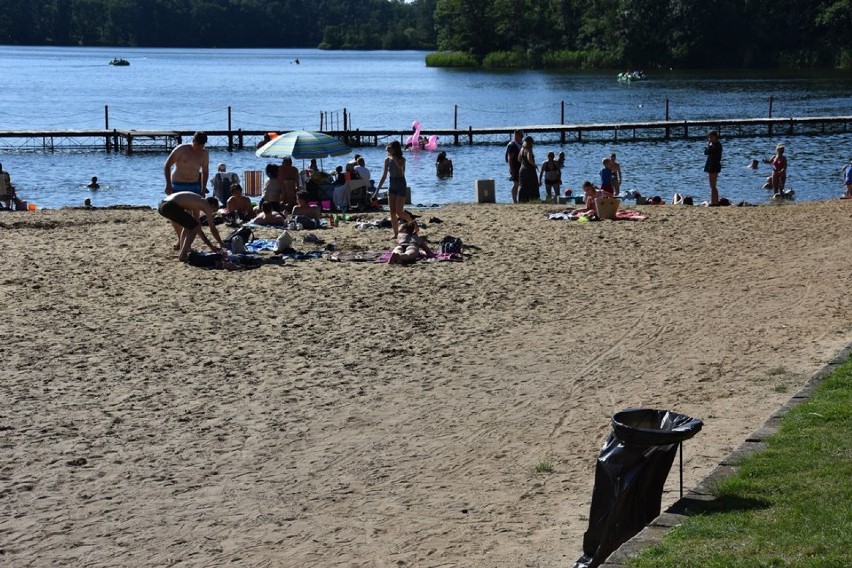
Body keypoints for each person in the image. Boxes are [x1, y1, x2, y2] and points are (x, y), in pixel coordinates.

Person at [157, 192, 225, 262]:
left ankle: (183, 251)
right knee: (192, 227)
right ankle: (183, 255)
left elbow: (197, 228)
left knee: (189, 226)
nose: (211, 213)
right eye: (213, 211)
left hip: (162, 205)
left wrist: (210, 246)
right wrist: (221, 243)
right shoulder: (206, 205)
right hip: (169, 206)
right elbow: (212, 228)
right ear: (212, 205)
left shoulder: (197, 204)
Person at [376, 140, 407, 237]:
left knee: (399, 212)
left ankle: (411, 221)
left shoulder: (402, 159)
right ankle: (396, 233)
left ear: (395, 149)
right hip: (392, 184)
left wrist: (393, 156)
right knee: (392, 212)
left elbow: (400, 168)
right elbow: (384, 176)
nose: (389, 149)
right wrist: (377, 191)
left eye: (391, 147)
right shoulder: (387, 160)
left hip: (401, 183)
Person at [164, 131, 209, 196]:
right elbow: (167, 165)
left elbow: (205, 172)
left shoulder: (204, 154)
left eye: (201, 146)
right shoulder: (181, 149)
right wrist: (168, 184)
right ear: (193, 141)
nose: (199, 148)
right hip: (177, 184)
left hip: (194, 185)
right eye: (197, 145)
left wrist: (203, 189)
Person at [517, 135, 540, 203]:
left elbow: (519, 159)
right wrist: (535, 165)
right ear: (530, 142)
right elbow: (529, 159)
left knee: (523, 185)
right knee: (532, 185)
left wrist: (524, 163)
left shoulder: (522, 149)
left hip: (522, 169)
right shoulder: (529, 149)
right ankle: (533, 199)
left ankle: (521, 200)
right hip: (529, 170)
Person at [703, 130, 722, 206]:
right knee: (712, 185)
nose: (710, 138)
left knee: (713, 185)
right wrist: (709, 146)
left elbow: (713, 152)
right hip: (711, 166)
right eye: (709, 137)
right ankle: (713, 201)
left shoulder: (717, 145)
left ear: (715, 137)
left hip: (714, 166)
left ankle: (715, 202)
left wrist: (710, 146)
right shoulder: (711, 144)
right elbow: (706, 152)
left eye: (711, 137)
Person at [505, 130, 523, 203]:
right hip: (515, 167)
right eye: (521, 136)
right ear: (516, 135)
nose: (522, 137)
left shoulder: (521, 143)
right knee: (516, 184)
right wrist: (511, 169)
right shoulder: (512, 145)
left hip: (521, 166)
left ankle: (519, 199)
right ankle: (514, 200)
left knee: (520, 184)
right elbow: (510, 158)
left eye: (522, 136)